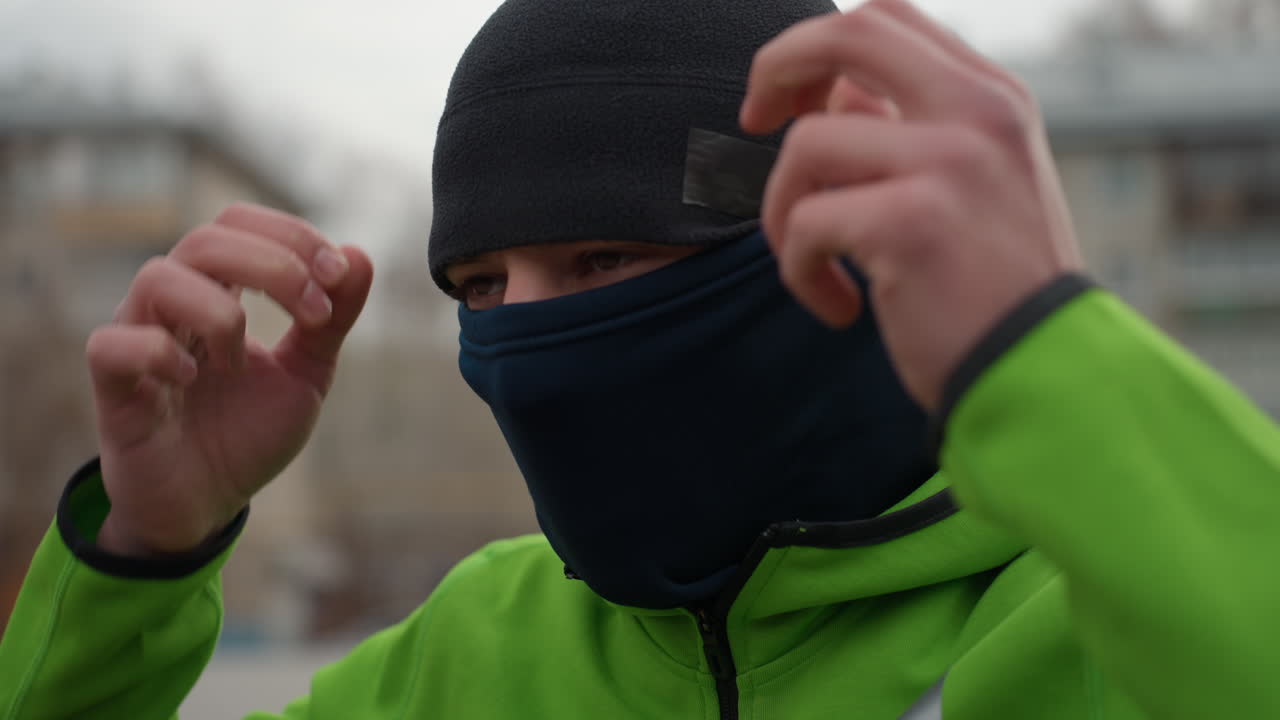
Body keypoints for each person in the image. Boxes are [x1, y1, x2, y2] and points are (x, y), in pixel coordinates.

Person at [1, 0, 1278, 717]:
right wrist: (143, 559)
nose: (534, 338)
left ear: (824, 238)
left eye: (605, 260)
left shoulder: (1096, 609)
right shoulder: (464, 662)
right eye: (484, 286)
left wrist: (1041, 343)